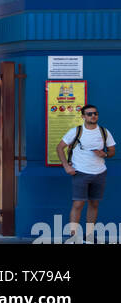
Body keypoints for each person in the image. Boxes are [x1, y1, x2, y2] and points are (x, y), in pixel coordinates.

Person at [56, 103, 115, 241]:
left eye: (95, 113)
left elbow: (112, 151)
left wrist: (105, 154)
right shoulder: (76, 131)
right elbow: (60, 148)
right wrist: (66, 166)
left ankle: (88, 236)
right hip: (80, 173)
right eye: (89, 114)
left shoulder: (104, 132)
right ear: (83, 116)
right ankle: (73, 237)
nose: (93, 116)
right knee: (78, 204)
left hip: (100, 173)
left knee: (94, 204)